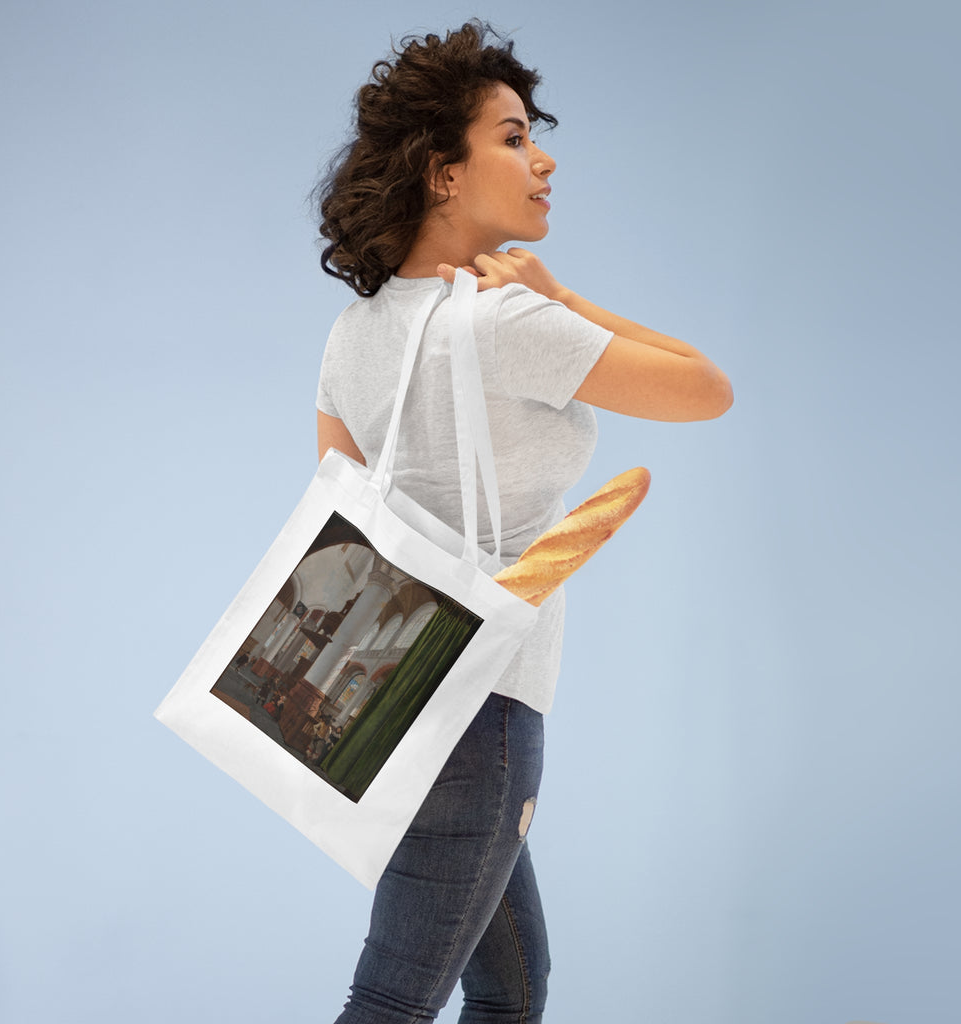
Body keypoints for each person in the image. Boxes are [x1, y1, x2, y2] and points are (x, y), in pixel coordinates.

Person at [314, 21, 732, 1024]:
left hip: (391, 698)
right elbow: (707, 389)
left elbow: (340, 516)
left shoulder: (354, 329)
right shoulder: (505, 319)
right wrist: (566, 298)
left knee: (510, 985)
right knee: (393, 999)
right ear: (442, 173)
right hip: (484, 702)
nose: (541, 157)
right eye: (509, 136)